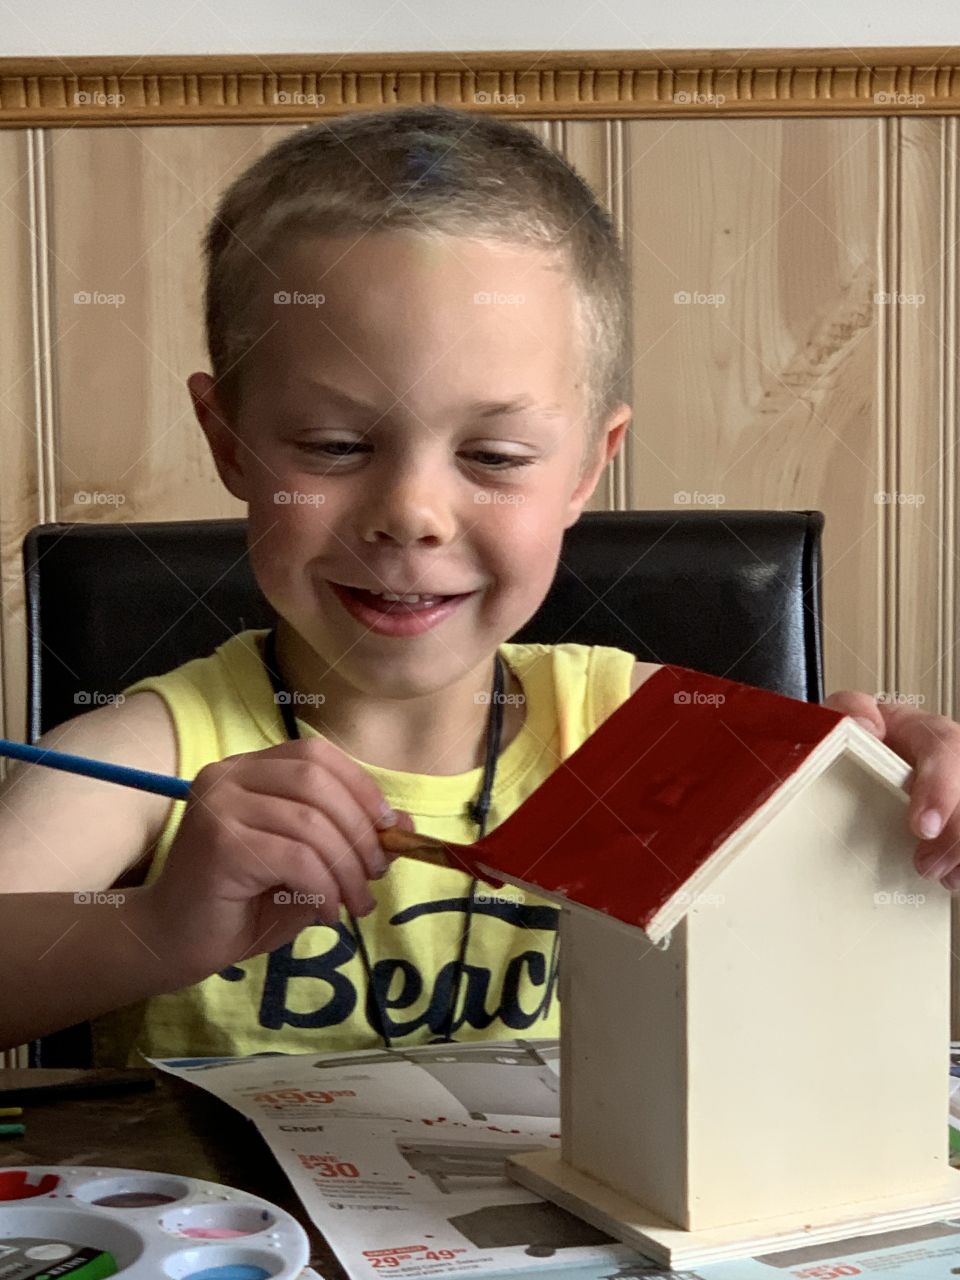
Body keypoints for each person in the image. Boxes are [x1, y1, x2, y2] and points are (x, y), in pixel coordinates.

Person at [0, 105, 956, 1064]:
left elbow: (841, 934)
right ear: (230, 443)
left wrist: (902, 812)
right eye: (335, 446)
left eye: (495, 455)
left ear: (588, 465)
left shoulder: (630, 730)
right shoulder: (147, 754)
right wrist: (156, 928)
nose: (412, 512)